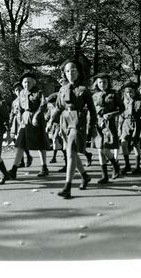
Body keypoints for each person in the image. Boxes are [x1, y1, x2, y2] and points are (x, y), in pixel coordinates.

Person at [47, 60, 97, 199]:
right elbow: (58, 107)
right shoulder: (62, 89)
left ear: (79, 72)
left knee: (70, 153)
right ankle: (85, 176)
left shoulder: (84, 90)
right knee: (72, 152)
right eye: (68, 71)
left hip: (78, 121)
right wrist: (50, 121)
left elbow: (92, 110)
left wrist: (92, 125)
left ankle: (67, 187)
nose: (70, 73)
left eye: (73, 70)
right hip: (64, 121)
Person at [8, 72, 50, 179]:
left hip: (36, 118)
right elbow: (20, 109)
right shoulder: (21, 93)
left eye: (29, 82)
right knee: (20, 143)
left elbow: (43, 105)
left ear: (33, 83)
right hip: (24, 119)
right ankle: (14, 169)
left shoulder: (38, 92)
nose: (27, 84)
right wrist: (18, 124)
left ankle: (44, 167)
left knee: (40, 144)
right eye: (25, 82)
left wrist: (36, 116)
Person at [91, 73, 124, 183]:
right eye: (100, 82)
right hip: (98, 123)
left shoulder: (114, 94)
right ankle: (104, 175)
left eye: (104, 82)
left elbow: (122, 109)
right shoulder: (94, 95)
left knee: (105, 148)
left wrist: (112, 114)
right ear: (96, 83)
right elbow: (92, 110)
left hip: (109, 124)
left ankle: (115, 165)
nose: (102, 84)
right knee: (100, 150)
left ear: (108, 83)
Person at [118, 81, 141, 175]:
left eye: (131, 92)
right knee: (123, 143)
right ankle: (127, 164)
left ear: (135, 92)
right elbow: (121, 115)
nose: (129, 94)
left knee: (136, 145)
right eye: (127, 92)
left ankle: (137, 167)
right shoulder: (123, 101)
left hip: (136, 123)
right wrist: (119, 128)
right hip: (126, 123)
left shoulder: (140, 102)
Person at [9, 82, 33, 168]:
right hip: (16, 122)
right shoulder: (14, 101)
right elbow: (12, 113)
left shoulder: (25, 99)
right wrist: (10, 122)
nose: (18, 91)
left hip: (23, 121)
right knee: (16, 141)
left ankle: (27, 158)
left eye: (19, 89)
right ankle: (23, 160)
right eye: (16, 90)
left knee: (21, 141)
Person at [46, 92, 66, 172]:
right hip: (54, 126)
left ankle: (67, 163)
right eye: (51, 103)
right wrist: (47, 123)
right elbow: (49, 116)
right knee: (57, 142)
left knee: (58, 142)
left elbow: (63, 119)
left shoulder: (61, 107)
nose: (52, 105)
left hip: (60, 126)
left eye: (53, 103)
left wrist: (61, 129)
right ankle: (57, 158)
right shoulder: (51, 107)